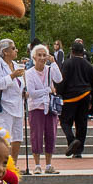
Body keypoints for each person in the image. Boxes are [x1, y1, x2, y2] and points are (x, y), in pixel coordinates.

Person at [23, 44, 61, 175]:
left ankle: (49, 164)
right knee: (36, 136)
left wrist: (54, 63)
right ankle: (37, 164)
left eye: (44, 55)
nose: (42, 57)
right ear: (34, 56)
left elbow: (59, 79)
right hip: (36, 108)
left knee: (51, 135)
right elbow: (32, 93)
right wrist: (48, 90)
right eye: (39, 55)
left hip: (50, 107)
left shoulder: (50, 69)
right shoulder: (29, 73)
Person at [57, 40, 93, 158]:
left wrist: (59, 94)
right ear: (83, 52)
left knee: (65, 121)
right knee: (82, 123)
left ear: (72, 51)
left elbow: (62, 80)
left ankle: (71, 140)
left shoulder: (67, 63)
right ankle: (78, 150)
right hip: (85, 96)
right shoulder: (88, 65)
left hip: (69, 98)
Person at [0, 39, 26, 165]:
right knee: (4, 137)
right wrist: (12, 76)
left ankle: (13, 164)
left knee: (18, 137)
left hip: (18, 106)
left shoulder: (15, 64)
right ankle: (3, 164)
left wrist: (23, 91)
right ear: (5, 52)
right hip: (4, 107)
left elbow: (20, 84)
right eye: (13, 48)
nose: (16, 50)